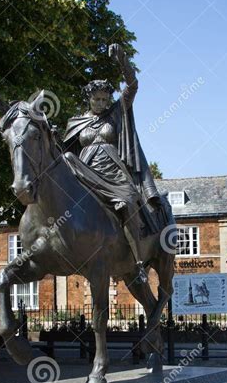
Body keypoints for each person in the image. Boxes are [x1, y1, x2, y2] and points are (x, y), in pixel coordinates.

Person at [62, 44, 163, 284]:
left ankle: (138, 263)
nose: (101, 103)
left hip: (114, 173)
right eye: (96, 99)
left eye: (105, 99)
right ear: (88, 99)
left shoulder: (116, 112)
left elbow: (132, 86)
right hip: (85, 171)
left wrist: (123, 61)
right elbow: (64, 149)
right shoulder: (76, 122)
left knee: (128, 202)